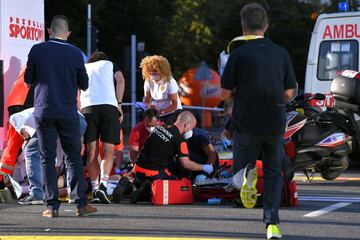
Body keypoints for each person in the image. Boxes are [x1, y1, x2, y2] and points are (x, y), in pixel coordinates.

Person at [220, 3, 297, 239]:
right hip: (274, 121)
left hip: (246, 121)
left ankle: (245, 175)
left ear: (243, 27)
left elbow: (224, 93)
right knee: (274, 172)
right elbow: (289, 91)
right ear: (266, 25)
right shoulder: (281, 52)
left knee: (238, 169)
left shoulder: (238, 54)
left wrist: (239, 93)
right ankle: (272, 225)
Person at [24, 15, 96, 217]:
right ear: (68, 33)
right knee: (73, 157)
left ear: (49, 31)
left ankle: (51, 207)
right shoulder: (75, 53)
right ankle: (81, 204)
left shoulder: (37, 50)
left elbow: (28, 80)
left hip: (44, 110)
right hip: (67, 112)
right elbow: (84, 84)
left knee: (47, 158)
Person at [113, 111, 213, 203]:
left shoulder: (159, 128)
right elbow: (186, 164)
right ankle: (146, 192)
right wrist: (204, 167)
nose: (191, 131)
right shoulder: (179, 140)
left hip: (137, 170)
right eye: (191, 128)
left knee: (142, 180)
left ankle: (130, 185)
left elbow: (145, 147)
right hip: (155, 174)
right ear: (186, 125)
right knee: (179, 187)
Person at [9, 107, 88, 205]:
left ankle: (37, 194)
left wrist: (24, 135)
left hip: (55, 117)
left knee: (31, 150)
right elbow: (59, 152)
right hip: (80, 121)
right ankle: (75, 195)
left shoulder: (28, 115)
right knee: (71, 155)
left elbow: (13, 117)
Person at [80, 51, 125, 204]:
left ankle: (94, 189)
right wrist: (119, 104)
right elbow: (121, 80)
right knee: (108, 149)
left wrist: (79, 108)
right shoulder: (110, 64)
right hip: (108, 106)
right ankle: (103, 185)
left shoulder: (84, 67)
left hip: (88, 108)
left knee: (91, 151)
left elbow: (77, 88)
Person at [0, 66, 33, 183]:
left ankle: (2, 178)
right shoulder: (46, 61)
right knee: (30, 144)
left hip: (15, 102)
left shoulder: (30, 62)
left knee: (13, 145)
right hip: (27, 103)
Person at [140, 55, 182, 124]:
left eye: (155, 71)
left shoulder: (170, 81)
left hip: (173, 113)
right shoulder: (148, 81)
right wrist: (148, 105)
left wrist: (160, 112)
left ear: (162, 70)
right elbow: (147, 100)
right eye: (149, 71)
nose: (152, 73)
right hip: (158, 114)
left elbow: (174, 104)